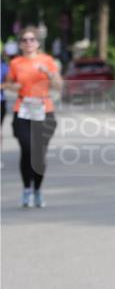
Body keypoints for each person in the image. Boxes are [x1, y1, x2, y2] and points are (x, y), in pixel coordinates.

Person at [2, 26, 61, 208]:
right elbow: (7, 84)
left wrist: (49, 73)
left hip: (44, 109)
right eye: (25, 40)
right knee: (27, 149)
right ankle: (27, 188)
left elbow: (58, 86)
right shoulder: (16, 63)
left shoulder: (47, 60)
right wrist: (14, 87)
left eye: (32, 39)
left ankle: (38, 190)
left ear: (38, 42)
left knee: (39, 154)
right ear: (20, 44)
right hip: (23, 109)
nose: (29, 43)